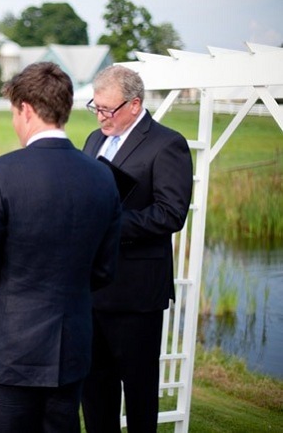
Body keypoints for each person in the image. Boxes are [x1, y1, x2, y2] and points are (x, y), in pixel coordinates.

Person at [0, 62, 122, 433]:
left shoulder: (0, 174)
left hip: (7, 349)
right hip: (71, 349)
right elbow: (104, 269)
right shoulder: (102, 176)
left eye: (15, 112)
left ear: (26, 109)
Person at [81, 65, 193, 433]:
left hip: (137, 292)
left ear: (134, 104)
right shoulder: (93, 141)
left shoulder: (167, 143)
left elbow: (170, 214)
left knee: (140, 390)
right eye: (95, 107)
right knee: (95, 389)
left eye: (107, 110)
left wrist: (109, 224)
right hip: (92, 290)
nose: (100, 117)